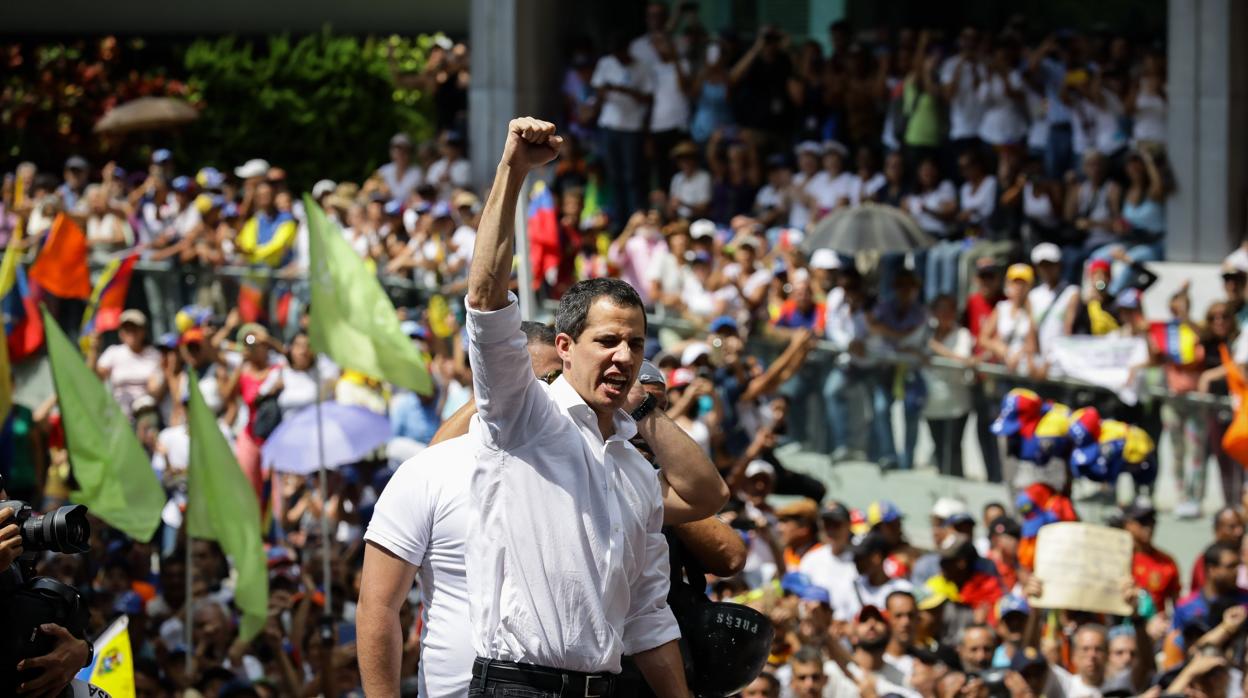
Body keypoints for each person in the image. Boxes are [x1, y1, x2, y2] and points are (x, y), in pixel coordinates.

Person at [461, 117, 706, 695]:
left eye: (636, 344)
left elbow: (648, 613)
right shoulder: (523, 415)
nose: (623, 357)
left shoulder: (637, 472)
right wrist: (513, 171)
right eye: (607, 341)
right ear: (565, 348)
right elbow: (485, 299)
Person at [592, 37, 653, 223]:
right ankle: (618, 220)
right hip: (610, 125)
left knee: (631, 175)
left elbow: (648, 98)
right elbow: (597, 90)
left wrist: (625, 90)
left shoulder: (641, 66)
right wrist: (607, 90)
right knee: (614, 175)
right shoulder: (606, 63)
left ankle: (634, 217)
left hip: (632, 127)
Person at [923, 294, 974, 477]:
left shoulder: (962, 334)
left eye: (949, 309)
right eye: (940, 309)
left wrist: (936, 348)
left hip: (956, 405)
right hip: (932, 404)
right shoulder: (927, 333)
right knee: (938, 448)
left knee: (953, 449)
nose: (944, 313)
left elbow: (962, 359)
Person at [89, 309, 161, 420]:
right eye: (127, 329)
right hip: (119, 417)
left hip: (147, 415)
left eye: (135, 329)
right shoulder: (113, 352)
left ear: (143, 331)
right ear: (121, 333)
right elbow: (94, 377)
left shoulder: (155, 355)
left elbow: (155, 389)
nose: (131, 333)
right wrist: (93, 350)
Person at [1190, 508, 1246, 593]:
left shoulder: (1245, 557)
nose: (1239, 532)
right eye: (1232, 527)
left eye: (1241, 526)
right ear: (1217, 530)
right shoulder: (1205, 561)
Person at [377, 133, 423, 203]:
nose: (401, 153)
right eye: (398, 150)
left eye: (405, 151)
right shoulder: (384, 170)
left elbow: (417, 197)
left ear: (410, 153)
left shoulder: (417, 172)